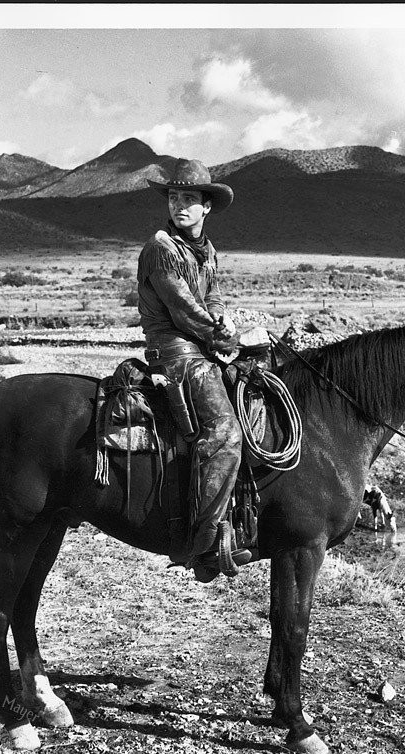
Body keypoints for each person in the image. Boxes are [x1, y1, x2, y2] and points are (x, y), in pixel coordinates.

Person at [137, 157, 251, 582]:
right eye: (173, 197)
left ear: (207, 206)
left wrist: (224, 321)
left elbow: (212, 296)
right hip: (175, 351)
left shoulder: (206, 250)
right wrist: (221, 336)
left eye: (188, 198)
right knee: (225, 431)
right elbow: (182, 310)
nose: (179, 205)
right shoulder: (161, 248)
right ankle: (205, 542)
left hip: (201, 343)